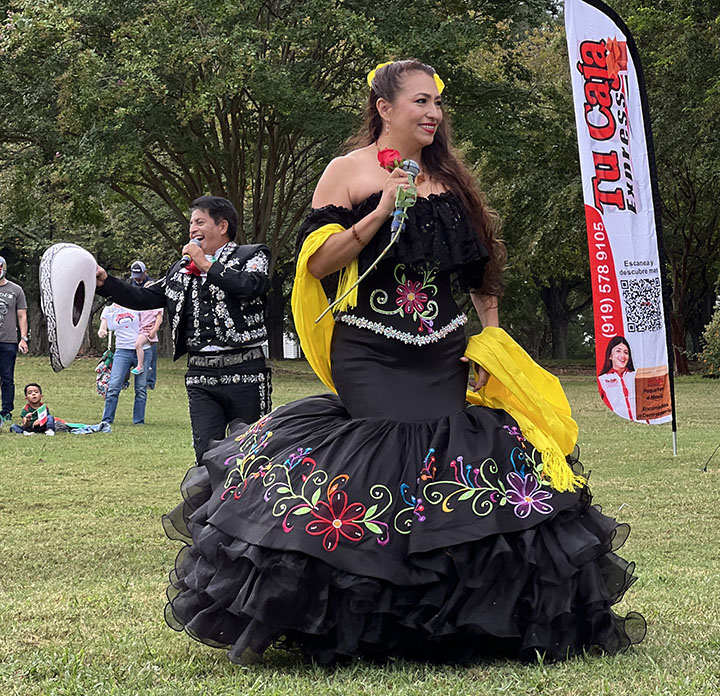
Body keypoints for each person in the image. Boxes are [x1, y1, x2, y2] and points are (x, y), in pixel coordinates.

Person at [161, 60, 646, 664]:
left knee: (454, 459)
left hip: (443, 348)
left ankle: (460, 619)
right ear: (385, 108)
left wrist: (490, 344)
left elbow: (479, 276)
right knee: (388, 455)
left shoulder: (451, 180)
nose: (434, 114)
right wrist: (380, 209)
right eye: (421, 101)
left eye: (438, 105)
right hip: (369, 349)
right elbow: (316, 264)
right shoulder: (348, 172)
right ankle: (359, 620)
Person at [95, 196, 272, 461]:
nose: (192, 229)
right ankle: (211, 502)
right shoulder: (180, 270)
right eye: (191, 223)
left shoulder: (252, 255)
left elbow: (251, 285)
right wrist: (105, 281)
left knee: (251, 454)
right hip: (200, 375)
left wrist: (206, 264)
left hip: (245, 371)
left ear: (222, 226)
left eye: (200, 222)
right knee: (206, 454)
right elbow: (142, 298)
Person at [98, 303, 149, 427]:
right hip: (122, 350)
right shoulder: (109, 310)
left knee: (141, 387)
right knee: (114, 385)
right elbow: (103, 326)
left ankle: (138, 421)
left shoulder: (135, 304)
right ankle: (107, 419)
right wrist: (102, 331)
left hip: (142, 349)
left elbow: (149, 321)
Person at [0, 255, 29, 429]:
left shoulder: (15, 290)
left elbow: (22, 315)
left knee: (7, 378)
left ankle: (6, 411)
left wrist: (23, 338)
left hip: (8, 340)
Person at [129, 261, 159, 388]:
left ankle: (150, 382)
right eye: (134, 274)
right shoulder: (130, 284)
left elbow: (159, 314)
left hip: (149, 324)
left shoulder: (152, 285)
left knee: (150, 353)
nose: (137, 277)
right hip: (136, 321)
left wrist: (154, 327)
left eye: (139, 274)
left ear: (145, 272)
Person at [598, 335, 637, 420]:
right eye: (618, 351)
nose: (622, 355)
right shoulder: (602, 379)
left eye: (626, 352)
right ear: (610, 356)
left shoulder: (636, 376)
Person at [131, 309, 163, 375]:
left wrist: (154, 330)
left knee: (138, 344)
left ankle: (140, 366)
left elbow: (159, 318)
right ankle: (147, 365)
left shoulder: (154, 305)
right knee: (141, 347)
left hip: (148, 330)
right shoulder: (141, 305)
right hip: (141, 329)